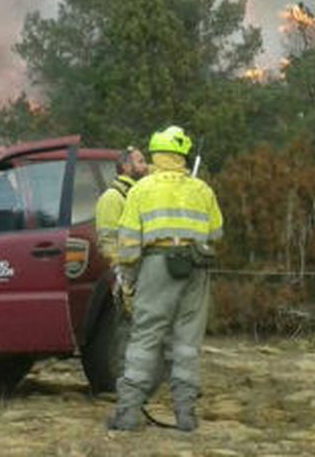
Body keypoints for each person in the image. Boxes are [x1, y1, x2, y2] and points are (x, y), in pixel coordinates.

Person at [107, 126, 222, 433]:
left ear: (156, 154)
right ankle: (186, 414)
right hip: (196, 269)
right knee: (187, 342)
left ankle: (129, 411)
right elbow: (216, 233)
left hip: (156, 267)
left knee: (145, 337)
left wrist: (128, 278)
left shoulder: (141, 191)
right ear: (183, 155)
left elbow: (129, 244)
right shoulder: (202, 190)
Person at [95, 146, 148, 265]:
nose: (146, 166)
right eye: (140, 162)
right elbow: (108, 241)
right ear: (126, 166)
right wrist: (122, 269)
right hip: (127, 270)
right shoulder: (112, 197)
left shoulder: (140, 195)